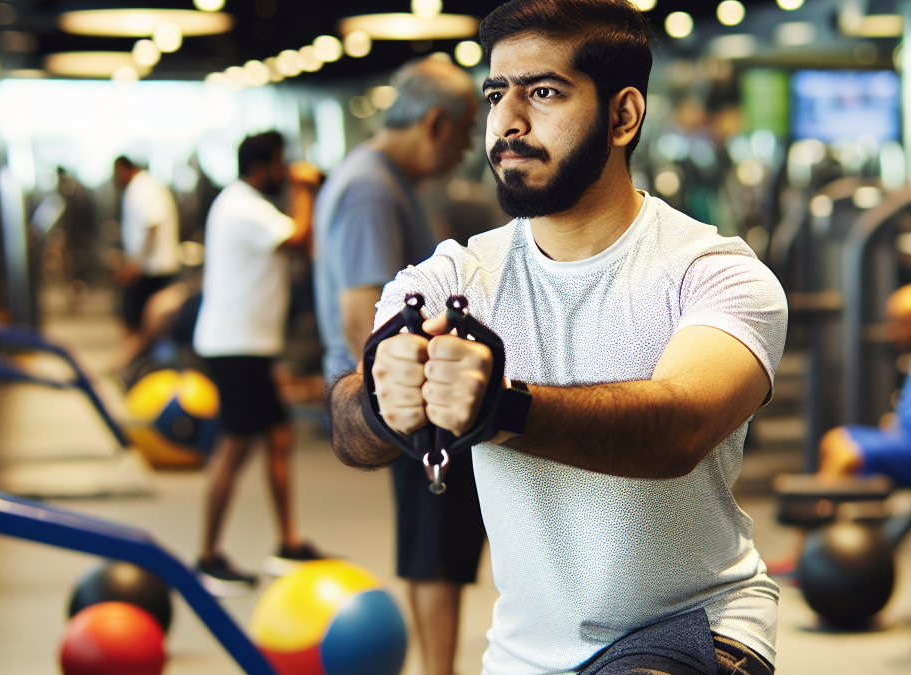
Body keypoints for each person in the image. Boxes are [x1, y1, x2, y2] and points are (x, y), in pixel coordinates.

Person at [328, 1, 788, 674]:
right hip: (523, 651)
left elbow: (677, 429)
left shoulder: (714, 273)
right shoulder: (458, 274)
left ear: (623, 115)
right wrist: (380, 400)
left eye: (543, 92)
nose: (508, 122)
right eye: (496, 95)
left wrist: (501, 407)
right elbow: (348, 431)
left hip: (694, 627)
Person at [313, 58, 480, 675]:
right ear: (436, 124)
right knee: (435, 547)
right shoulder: (371, 188)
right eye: (465, 136)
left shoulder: (380, 179)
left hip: (411, 402)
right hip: (409, 407)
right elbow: (365, 318)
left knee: (432, 545)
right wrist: (413, 403)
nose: (465, 153)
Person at [192, 131, 322, 595]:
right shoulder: (243, 205)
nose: (285, 173)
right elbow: (300, 236)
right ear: (264, 165)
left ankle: (287, 542)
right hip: (235, 347)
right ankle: (207, 557)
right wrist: (304, 188)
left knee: (278, 437)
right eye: (282, 164)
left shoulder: (245, 203)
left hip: (250, 345)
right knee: (234, 447)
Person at [817, 283, 911, 483]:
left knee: (843, 453)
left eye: (898, 323)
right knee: (834, 439)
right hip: (902, 439)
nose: (892, 332)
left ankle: (822, 508)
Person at [111, 157, 181, 377]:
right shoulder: (143, 186)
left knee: (146, 325)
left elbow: (152, 224)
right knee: (139, 322)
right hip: (149, 267)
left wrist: (136, 264)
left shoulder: (143, 188)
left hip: (153, 269)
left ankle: (127, 367)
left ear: (124, 169)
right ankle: (131, 368)